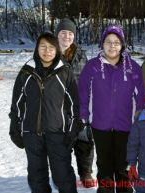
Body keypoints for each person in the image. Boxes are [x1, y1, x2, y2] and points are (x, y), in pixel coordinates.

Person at [77, 24, 145, 193]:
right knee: (104, 165)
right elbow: (83, 94)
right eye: (108, 41)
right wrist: (83, 119)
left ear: (122, 45)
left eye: (116, 42)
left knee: (123, 165)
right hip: (100, 125)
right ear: (102, 44)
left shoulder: (133, 67)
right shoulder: (92, 66)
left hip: (126, 125)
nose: (112, 46)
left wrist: (140, 118)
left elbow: (140, 95)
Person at [9, 32, 78, 193]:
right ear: (37, 49)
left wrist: (73, 129)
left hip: (58, 133)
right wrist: (15, 127)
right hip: (31, 134)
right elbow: (17, 104)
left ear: (56, 50)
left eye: (51, 47)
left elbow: (75, 104)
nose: (47, 51)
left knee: (63, 176)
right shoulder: (26, 72)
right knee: (36, 177)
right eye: (43, 47)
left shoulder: (64, 73)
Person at [55, 18, 95, 187]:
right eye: (63, 32)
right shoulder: (50, 54)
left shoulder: (81, 54)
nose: (67, 36)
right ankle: (63, 175)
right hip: (58, 108)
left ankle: (85, 173)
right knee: (61, 143)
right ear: (57, 34)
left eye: (70, 33)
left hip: (80, 106)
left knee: (84, 140)